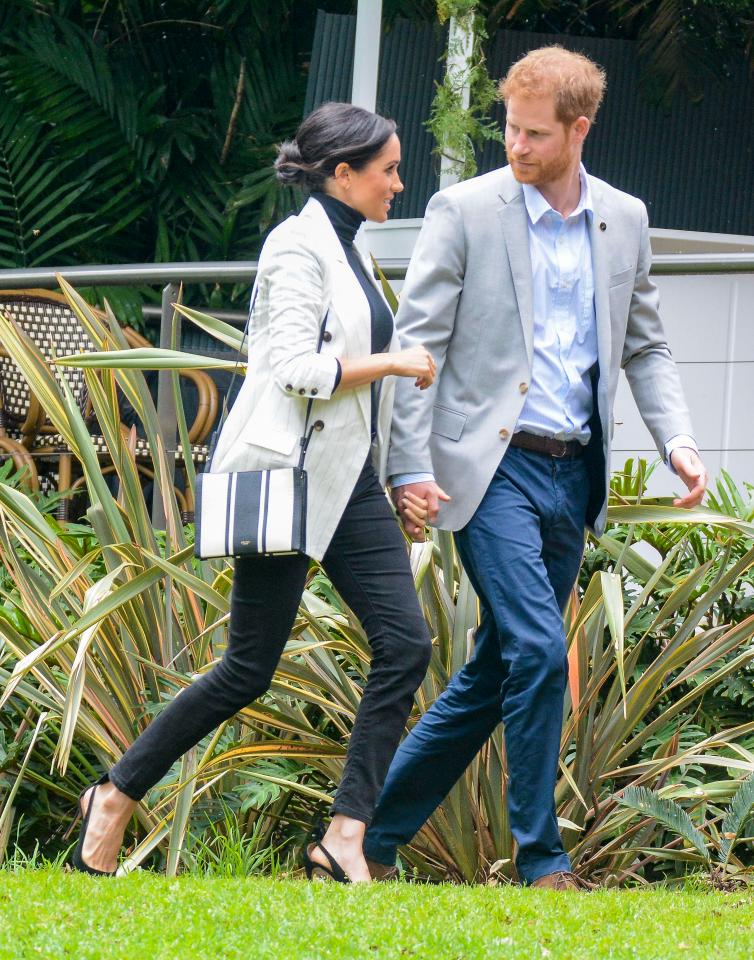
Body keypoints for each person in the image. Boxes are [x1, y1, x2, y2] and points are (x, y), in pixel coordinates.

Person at [362, 46, 708, 890]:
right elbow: (418, 348)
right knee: (539, 648)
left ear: (578, 130)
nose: (514, 145)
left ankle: (365, 841)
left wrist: (678, 439)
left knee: (498, 669)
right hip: (490, 471)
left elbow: (646, 344)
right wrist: (408, 465)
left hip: (573, 474)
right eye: (510, 128)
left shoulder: (623, 218)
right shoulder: (465, 209)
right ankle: (542, 860)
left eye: (532, 133)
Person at [71, 102, 434, 884]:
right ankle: (115, 794)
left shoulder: (353, 251)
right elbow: (295, 370)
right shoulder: (294, 247)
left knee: (406, 644)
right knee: (248, 669)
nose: (399, 184)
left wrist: (402, 475)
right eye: (389, 169)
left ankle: (345, 835)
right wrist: (397, 362)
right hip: (291, 482)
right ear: (343, 174)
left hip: (352, 484)